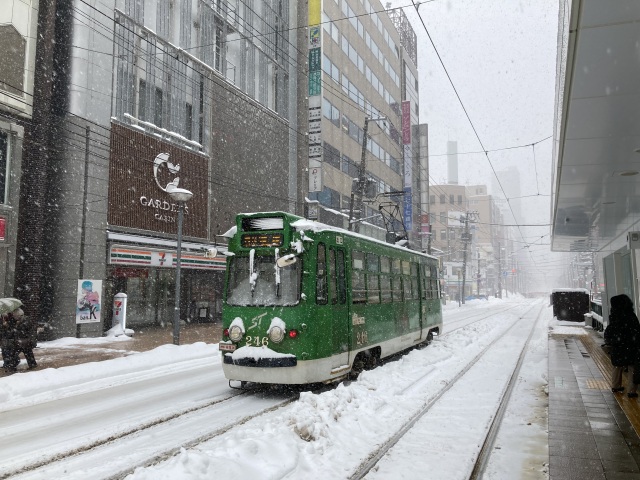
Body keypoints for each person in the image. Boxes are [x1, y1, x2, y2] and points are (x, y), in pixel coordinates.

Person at [604, 294, 640, 397]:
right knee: (632, 367)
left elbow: (610, 331)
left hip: (618, 346)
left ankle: (615, 386)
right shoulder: (631, 316)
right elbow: (636, 331)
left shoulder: (614, 316)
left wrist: (613, 341)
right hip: (631, 345)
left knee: (617, 366)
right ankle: (631, 391)